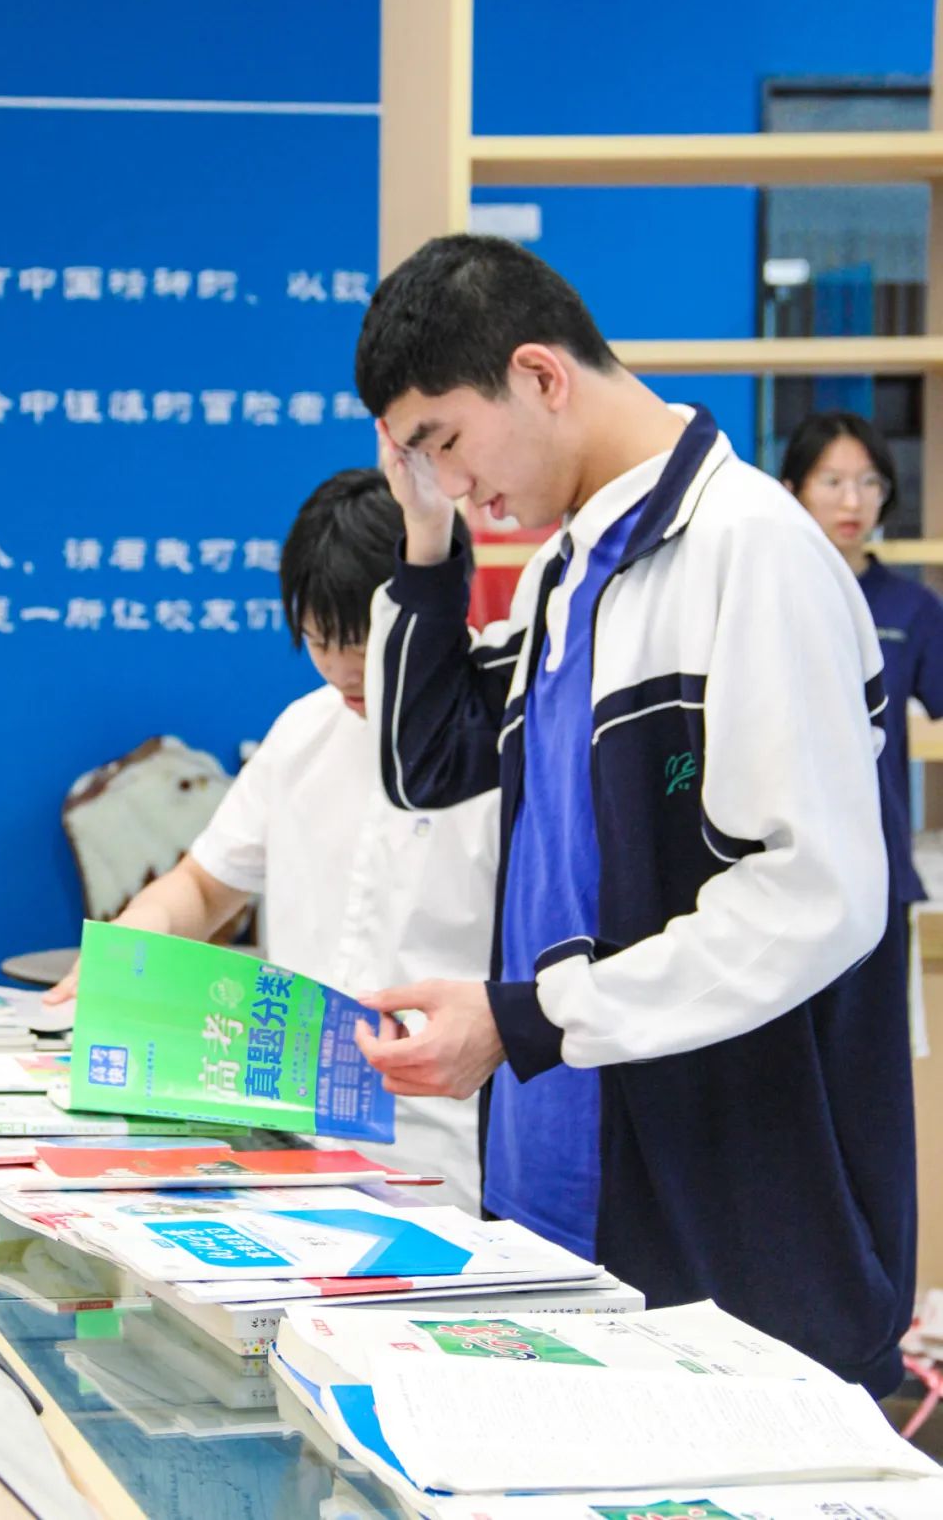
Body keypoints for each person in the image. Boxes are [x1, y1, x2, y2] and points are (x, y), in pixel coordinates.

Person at [349, 233, 914, 1395]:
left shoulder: (751, 551)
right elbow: (425, 759)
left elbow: (813, 899)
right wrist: (426, 533)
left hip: (738, 1239)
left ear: (540, 375)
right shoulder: (570, 570)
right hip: (566, 1198)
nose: (448, 479)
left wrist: (529, 1018)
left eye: (444, 441)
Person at [44, 468, 498, 1212]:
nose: (341, 668)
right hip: (290, 1148)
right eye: (319, 639)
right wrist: (132, 943)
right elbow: (203, 887)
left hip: (456, 1154)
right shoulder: (303, 731)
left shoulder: (508, 736)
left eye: (363, 641)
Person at [782, 410, 943, 910]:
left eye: (870, 482)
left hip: (880, 862)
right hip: (780, 865)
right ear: (792, 490)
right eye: (832, 482)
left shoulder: (912, 607)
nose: (853, 501)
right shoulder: (764, 596)